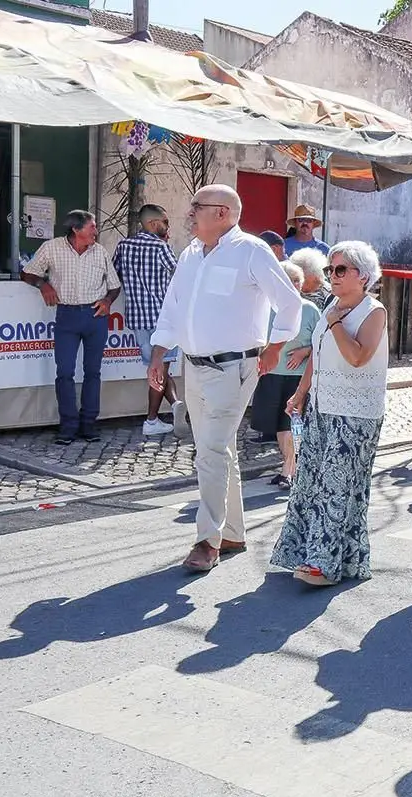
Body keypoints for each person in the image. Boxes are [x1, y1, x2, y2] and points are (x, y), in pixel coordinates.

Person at [147, 185, 303, 572]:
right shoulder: (190, 255)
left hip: (235, 366)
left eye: (197, 207)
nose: (190, 213)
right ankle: (232, 531)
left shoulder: (250, 250)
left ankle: (207, 540)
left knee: (211, 451)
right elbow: (173, 308)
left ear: (222, 213)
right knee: (216, 450)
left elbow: (289, 303)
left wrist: (274, 346)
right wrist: (158, 355)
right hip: (193, 365)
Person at [271, 242, 391, 586]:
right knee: (310, 483)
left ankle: (324, 564)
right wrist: (300, 392)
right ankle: (313, 555)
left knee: (337, 488)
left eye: (341, 270)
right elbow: (319, 356)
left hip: (355, 412)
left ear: (363, 276)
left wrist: (336, 323)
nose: (333, 277)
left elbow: (358, 357)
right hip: (323, 407)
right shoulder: (331, 306)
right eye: (330, 270)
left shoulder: (374, 311)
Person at [21, 210, 121, 445]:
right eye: (92, 227)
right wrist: (43, 284)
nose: (96, 231)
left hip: (95, 317)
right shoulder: (51, 248)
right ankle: (68, 426)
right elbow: (27, 273)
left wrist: (107, 301)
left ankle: (89, 424)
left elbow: (114, 285)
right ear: (76, 230)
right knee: (64, 372)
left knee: (93, 372)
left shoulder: (100, 252)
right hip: (66, 315)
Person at [113, 203, 180, 437]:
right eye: (165, 221)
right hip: (163, 318)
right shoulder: (161, 248)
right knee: (161, 369)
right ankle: (156, 416)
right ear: (153, 224)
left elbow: (115, 276)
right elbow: (179, 276)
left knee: (156, 369)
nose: (167, 226)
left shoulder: (124, 246)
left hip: (138, 318)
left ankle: (171, 408)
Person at [253, 260, 321, 489]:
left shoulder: (310, 310)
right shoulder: (267, 309)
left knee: (291, 424)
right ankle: (289, 467)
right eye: (287, 280)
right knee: (280, 428)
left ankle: (287, 471)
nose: (292, 285)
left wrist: (305, 351)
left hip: (298, 378)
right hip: (271, 375)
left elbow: (323, 342)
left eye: (296, 281)